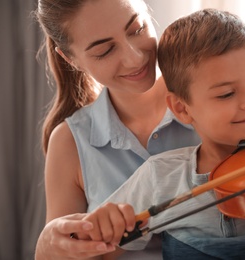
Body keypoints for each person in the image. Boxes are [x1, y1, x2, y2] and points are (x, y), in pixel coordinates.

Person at [79, 8, 245, 259]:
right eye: (226, 93)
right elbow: (95, 251)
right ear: (182, 109)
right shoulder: (161, 177)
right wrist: (104, 226)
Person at [34, 0, 200, 259]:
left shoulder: (213, 101)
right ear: (71, 59)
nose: (135, 58)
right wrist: (46, 248)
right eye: (104, 50)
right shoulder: (68, 142)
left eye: (137, 29)